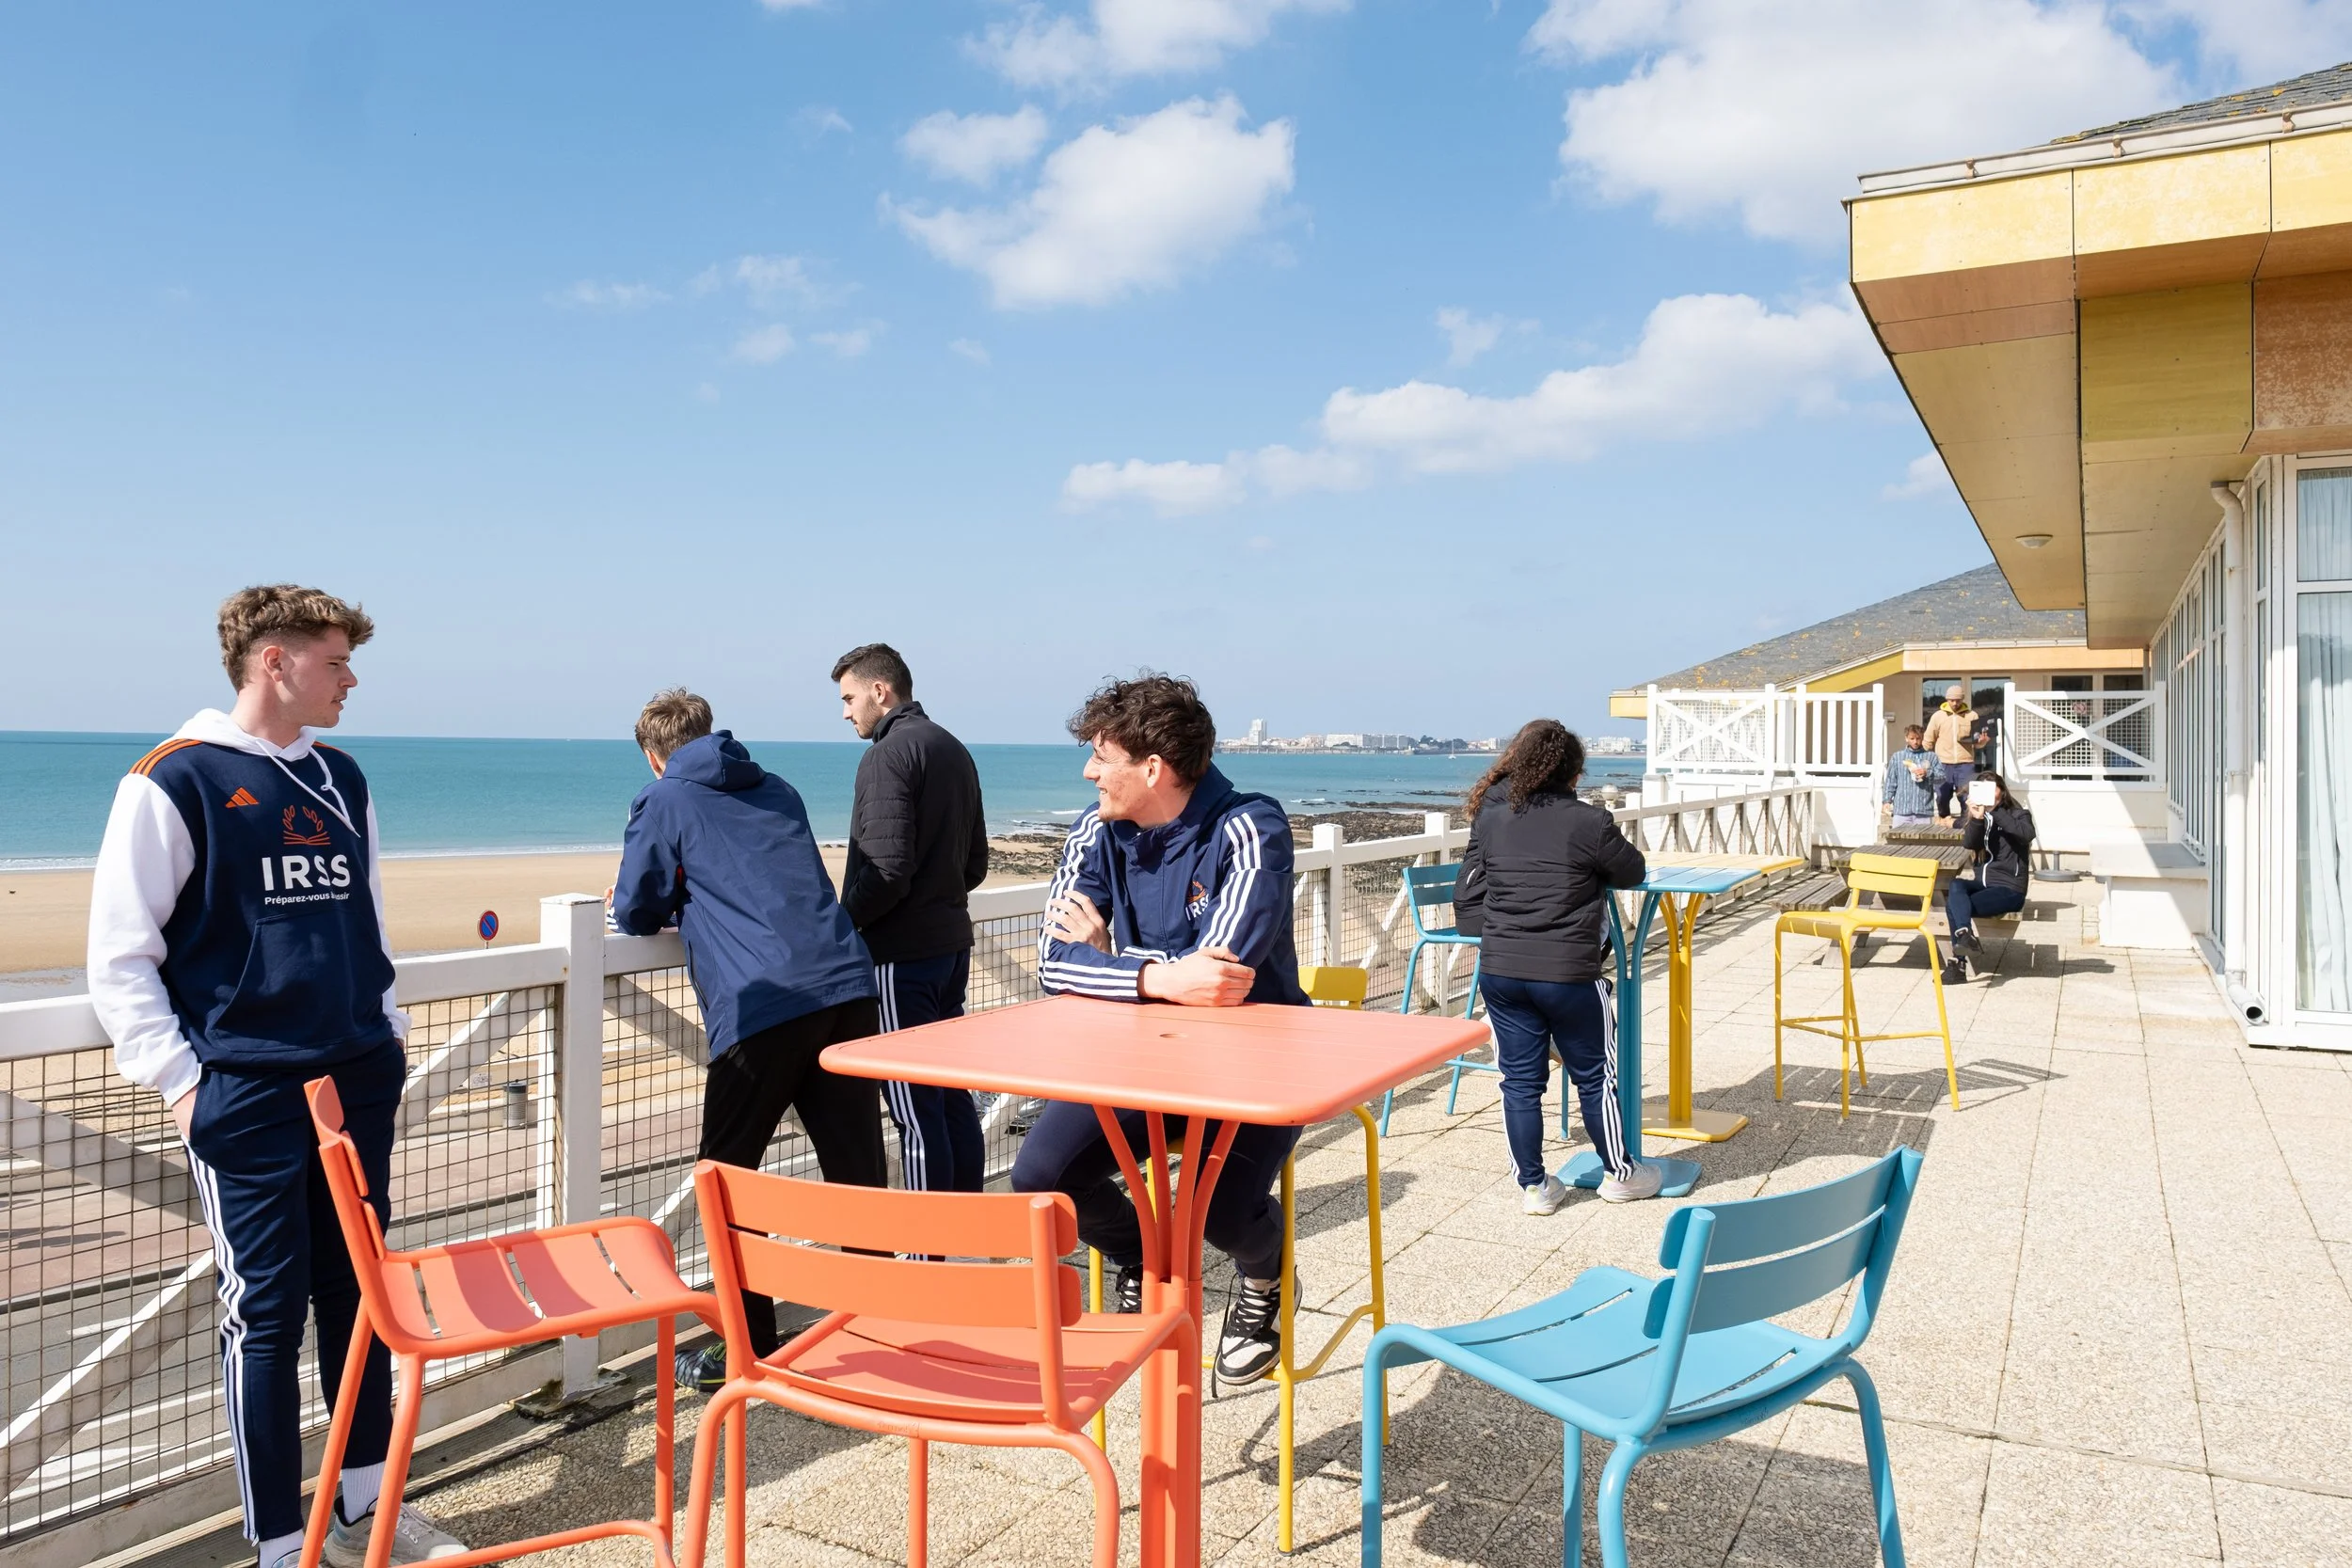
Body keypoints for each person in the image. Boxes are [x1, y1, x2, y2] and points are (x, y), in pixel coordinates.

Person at [87, 586, 468, 1568]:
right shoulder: (173, 779)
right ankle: (274, 1539)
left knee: (362, 1295)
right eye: (335, 660)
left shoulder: (342, 774)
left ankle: (365, 1509)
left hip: (355, 1078)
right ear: (273, 661)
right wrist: (183, 1083)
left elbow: (366, 919)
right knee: (263, 1309)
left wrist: (385, 1031)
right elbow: (121, 958)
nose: (351, 679)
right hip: (245, 1090)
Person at [1009, 673, 1309, 1382]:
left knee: (1222, 1215)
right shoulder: (1096, 829)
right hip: (1142, 1063)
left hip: (1255, 1070)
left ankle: (1267, 1276)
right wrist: (1157, 977)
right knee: (1040, 1176)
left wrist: (1115, 960)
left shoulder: (1250, 826)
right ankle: (1139, 1255)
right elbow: (1055, 962)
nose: (1087, 772)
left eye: (1099, 756)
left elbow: (1220, 978)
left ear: (1152, 768)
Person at [606, 689, 885, 1392]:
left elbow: (636, 906)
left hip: (765, 1001)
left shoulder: (663, 798)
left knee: (726, 1179)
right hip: (844, 983)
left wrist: (676, 898)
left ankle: (749, 1349)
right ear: (712, 734)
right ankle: (882, 1325)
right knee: (855, 1168)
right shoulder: (778, 786)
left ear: (653, 752)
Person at [1452, 720, 1657, 1213]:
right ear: (1574, 772)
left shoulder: (1493, 819)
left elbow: (1473, 884)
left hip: (1501, 969)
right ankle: (1621, 1174)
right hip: (1567, 971)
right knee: (1594, 1076)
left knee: (1519, 1080)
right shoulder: (1591, 822)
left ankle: (1536, 1188)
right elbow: (1633, 870)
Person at [833, 643, 992, 1194]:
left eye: (850, 697)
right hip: (951, 946)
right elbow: (975, 863)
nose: (846, 711)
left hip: (901, 957)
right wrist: (937, 898)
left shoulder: (886, 755)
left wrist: (841, 924)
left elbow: (886, 871)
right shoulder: (952, 748)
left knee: (914, 1109)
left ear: (881, 691)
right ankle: (973, 1232)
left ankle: (929, 1256)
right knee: (950, 1098)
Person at [1943, 769, 2035, 985]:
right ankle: (1966, 936)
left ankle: (1959, 965)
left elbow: (2026, 834)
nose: (1988, 795)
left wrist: (1995, 811)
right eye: (1982, 789)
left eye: (1993, 789)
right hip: (1984, 885)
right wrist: (1976, 819)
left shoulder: (2019, 815)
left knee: (1954, 906)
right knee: (1956, 886)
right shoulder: (1981, 818)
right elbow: (1970, 844)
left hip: (2009, 890)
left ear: (2002, 792)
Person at [1923, 685, 1981, 821]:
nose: (1955, 703)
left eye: (1958, 700)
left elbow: (1978, 744)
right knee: (1942, 795)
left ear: (1963, 699)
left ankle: (1967, 823)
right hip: (1942, 763)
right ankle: (1944, 820)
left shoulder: (1972, 715)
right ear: (1947, 699)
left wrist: (1983, 741)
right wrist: (1923, 760)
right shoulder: (1938, 716)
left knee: (1966, 797)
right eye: (1952, 700)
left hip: (1966, 763)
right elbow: (1928, 740)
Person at [1882, 723, 1941, 831]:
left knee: (1922, 845)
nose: (1915, 742)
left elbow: (1941, 778)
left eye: (1918, 738)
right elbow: (1891, 781)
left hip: (1924, 811)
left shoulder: (1931, 756)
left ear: (1922, 737)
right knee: (1899, 843)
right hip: (1902, 811)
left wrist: (1927, 773)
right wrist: (1887, 801)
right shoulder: (1897, 757)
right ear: (1906, 738)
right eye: (1912, 738)